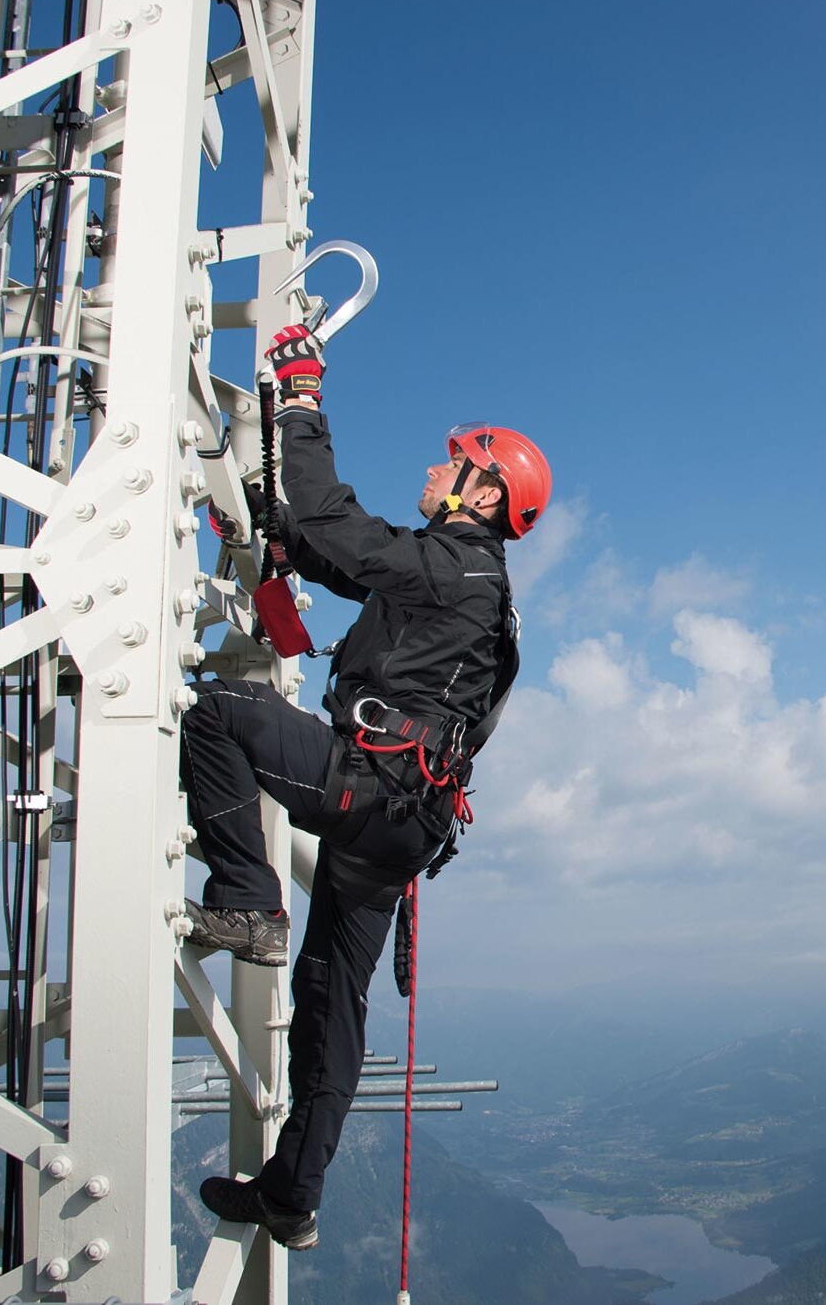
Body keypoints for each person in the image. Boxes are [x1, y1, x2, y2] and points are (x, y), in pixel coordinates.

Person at [181, 324, 551, 1249]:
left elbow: (328, 519)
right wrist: (273, 534)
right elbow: (337, 553)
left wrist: (301, 399)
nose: (433, 468)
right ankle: (291, 1195)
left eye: (451, 462)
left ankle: (245, 899)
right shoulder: (457, 579)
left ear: (482, 493)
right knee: (328, 1001)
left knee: (218, 716)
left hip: (372, 788)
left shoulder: (456, 569)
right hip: (401, 819)